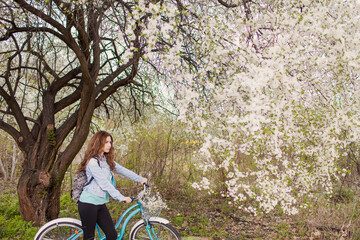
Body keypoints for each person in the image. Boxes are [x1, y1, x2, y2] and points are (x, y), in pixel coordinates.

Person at [76, 130, 147, 240]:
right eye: (106, 142)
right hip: (88, 203)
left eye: (110, 142)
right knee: (89, 237)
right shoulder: (92, 162)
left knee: (112, 235)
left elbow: (123, 170)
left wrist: (140, 179)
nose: (109, 145)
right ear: (98, 143)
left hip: (100, 203)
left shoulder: (105, 160)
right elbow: (104, 184)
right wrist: (121, 197)